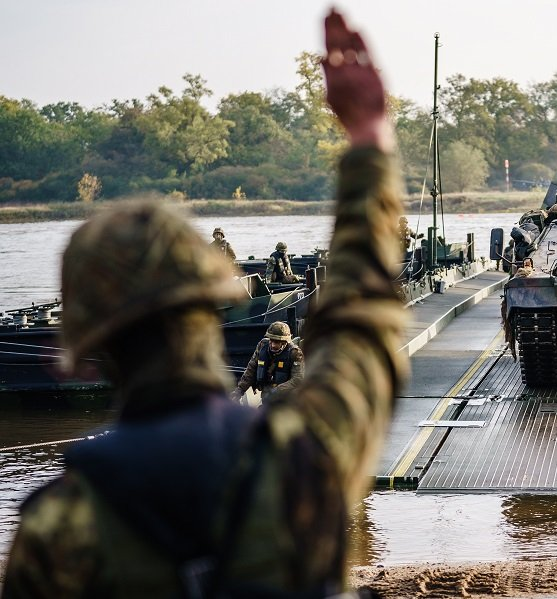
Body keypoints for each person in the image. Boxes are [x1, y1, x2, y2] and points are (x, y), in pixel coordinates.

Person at [2, 8, 408, 599]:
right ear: (207, 310)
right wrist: (369, 138)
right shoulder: (305, 451)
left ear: (90, 353)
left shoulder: (57, 526)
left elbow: (356, 324)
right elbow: (361, 321)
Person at [232, 321, 304, 406]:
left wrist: (277, 390)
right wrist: (239, 391)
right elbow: (251, 370)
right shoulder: (263, 346)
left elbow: (298, 379)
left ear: (284, 342)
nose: (273, 345)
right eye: (271, 341)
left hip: (286, 398)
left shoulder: (294, 353)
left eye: (277, 342)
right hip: (267, 396)